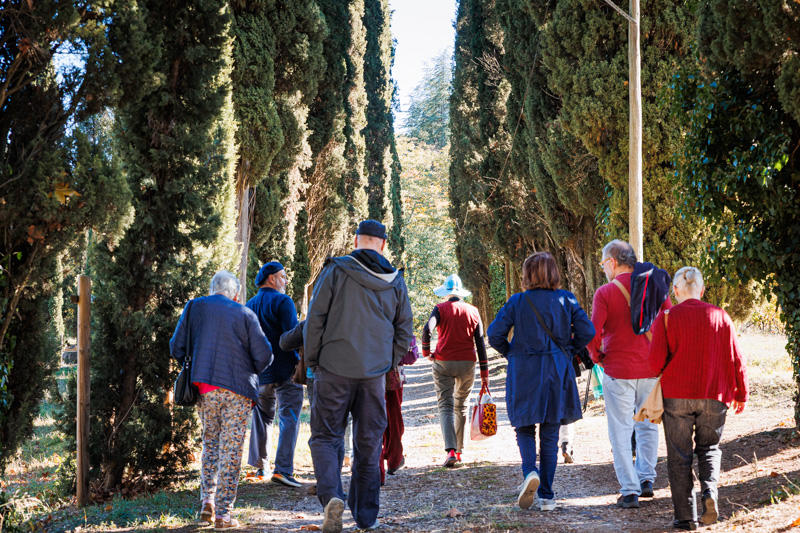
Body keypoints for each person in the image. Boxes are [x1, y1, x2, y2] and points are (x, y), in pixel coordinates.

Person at [304, 219, 413, 533]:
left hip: (333, 369)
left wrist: (314, 359)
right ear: (381, 244)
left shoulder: (335, 271)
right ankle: (366, 516)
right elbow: (404, 330)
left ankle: (331, 500)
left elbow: (315, 319)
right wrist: (386, 362)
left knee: (325, 437)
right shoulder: (395, 280)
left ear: (355, 241)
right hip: (373, 376)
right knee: (368, 443)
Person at [487, 252, 595, 512]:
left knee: (524, 427)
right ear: (554, 273)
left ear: (526, 276)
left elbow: (493, 334)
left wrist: (511, 353)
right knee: (550, 432)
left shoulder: (518, 301)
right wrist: (569, 350)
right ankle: (547, 495)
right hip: (557, 371)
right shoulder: (566, 299)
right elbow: (588, 331)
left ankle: (529, 472)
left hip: (524, 370)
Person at [169, 270, 273, 530]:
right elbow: (263, 356)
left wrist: (196, 365)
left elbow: (176, 347)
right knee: (231, 449)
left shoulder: (194, 308)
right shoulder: (244, 313)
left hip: (205, 388)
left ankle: (207, 501)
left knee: (210, 443)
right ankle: (224, 515)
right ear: (235, 293)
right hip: (237, 390)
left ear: (212, 288)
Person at [649, 267, 748, 531]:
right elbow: (736, 359)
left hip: (676, 397)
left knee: (679, 456)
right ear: (702, 291)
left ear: (676, 291)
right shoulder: (721, 316)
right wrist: (741, 392)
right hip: (713, 395)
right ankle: (710, 495)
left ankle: (685, 517)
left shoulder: (667, 318)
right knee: (710, 449)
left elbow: (654, 363)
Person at [587, 239, 671, 508]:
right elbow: (670, 319)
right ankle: (647, 479)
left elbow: (593, 333)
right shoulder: (655, 286)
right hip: (652, 367)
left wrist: (597, 356)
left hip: (618, 370)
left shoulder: (605, 293)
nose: (603, 270)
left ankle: (630, 490)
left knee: (620, 431)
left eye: (603, 264)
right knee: (648, 425)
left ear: (612, 262)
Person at [246, 261, 304, 488]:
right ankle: (283, 470)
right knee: (289, 416)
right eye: (282, 276)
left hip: (260, 372)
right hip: (285, 369)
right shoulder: (283, 301)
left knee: (262, 418)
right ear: (271, 278)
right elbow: (292, 335)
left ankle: (261, 466)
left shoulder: (249, 304)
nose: (286, 281)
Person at [421, 274, 489, 467]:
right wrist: (485, 373)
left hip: (443, 362)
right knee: (462, 406)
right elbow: (481, 344)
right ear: (461, 294)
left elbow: (427, 330)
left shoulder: (440, 309)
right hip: (468, 364)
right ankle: (459, 452)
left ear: (446, 293)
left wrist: (427, 352)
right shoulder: (474, 311)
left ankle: (450, 450)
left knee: (445, 406)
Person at [380, 336, 419, 484]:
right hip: (391, 370)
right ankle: (393, 458)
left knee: (376, 416)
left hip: (370, 367)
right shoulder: (395, 313)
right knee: (393, 415)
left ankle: (388, 459)